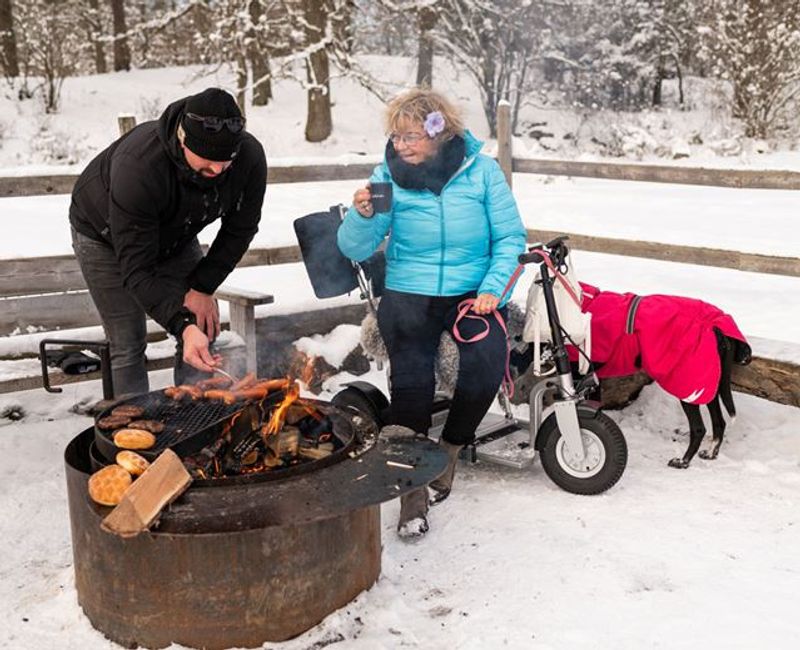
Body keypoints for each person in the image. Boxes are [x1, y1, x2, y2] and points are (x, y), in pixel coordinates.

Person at [337, 88, 526, 539]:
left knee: (486, 359)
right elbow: (354, 249)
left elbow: (510, 239)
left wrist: (492, 289)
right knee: (411, 382)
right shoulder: (387, 177)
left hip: (471, 294)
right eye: (395, 136)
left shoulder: (482, 172)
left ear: (439, 133)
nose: (399, 145)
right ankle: (412, 490)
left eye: (410, 136)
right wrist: (362, 217)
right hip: (408, 294)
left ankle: (451, 449)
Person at [69, 88, 267, 396]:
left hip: (177, 233)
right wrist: (181, 325)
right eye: (208, 161)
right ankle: (132, 420)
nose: (217, 170)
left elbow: (239, 230)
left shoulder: (249, 158)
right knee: (128, 342)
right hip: (105, 237)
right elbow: (138, 269)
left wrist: (202, 288)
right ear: (183, 139)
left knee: (203, 326)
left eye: (225, 161)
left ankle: (194, 411)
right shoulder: (139, 167)